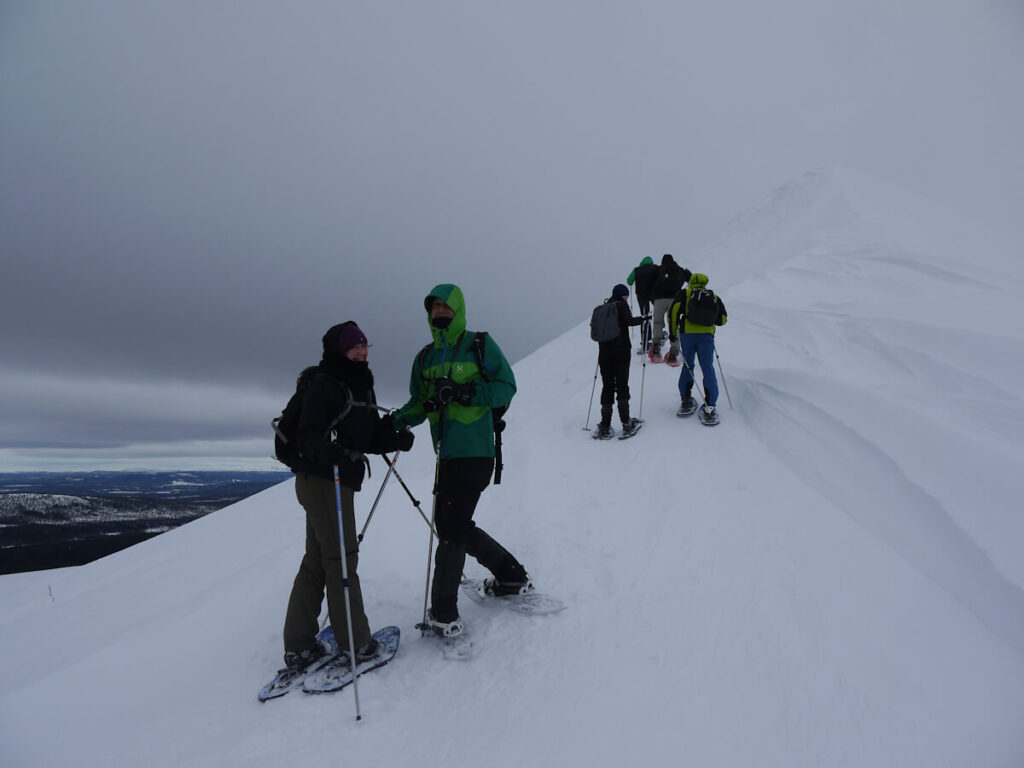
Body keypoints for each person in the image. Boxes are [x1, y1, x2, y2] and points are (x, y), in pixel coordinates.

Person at [386, 284, 530, 638]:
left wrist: (466, 391)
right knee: (456, 525)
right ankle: (511, 575)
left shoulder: (478, 344)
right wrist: (393, 422)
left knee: (450, 528)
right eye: (434, 307)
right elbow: (419, 403)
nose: (439, 312)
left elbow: (506, 386)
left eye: (445, 306)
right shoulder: (424, 358)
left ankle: (444, 613)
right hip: (445, 454)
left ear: (458, 309)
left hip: (477, 451)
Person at [282, 321, 414, 670]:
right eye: (354, 346)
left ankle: (299, 645)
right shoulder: (325, 385)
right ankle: (356, 644)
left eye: (364, 345)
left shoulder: (359, 384)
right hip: (325, 481)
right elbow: (308, 439)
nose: (361, 351)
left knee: (318, 559)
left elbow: (365, 437)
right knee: (341, 560)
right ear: (337, 350)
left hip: (331, 482)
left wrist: (394, 437)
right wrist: (333, 453)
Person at [668, 273, 728, 420]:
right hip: (707, 336)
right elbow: (723, 320)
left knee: (688, 365)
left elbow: (674, 312)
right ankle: (710, 405)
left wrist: (672, 332)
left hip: (688, 334)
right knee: (707, 367)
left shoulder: (685, 293)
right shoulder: (713, 296)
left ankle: (686, 400)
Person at [595, 284, 646, 439]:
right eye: (626, 295)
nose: (627, 297)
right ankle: (626, 422)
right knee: (622, 384)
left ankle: (605, 425)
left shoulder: (604, 308)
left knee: (608, 386)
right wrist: (643, 319)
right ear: (623, 295)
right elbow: (628, 321)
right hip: (621, 352)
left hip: (604, 353)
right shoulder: (621, 305)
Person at [650, 254, 691, 364]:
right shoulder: (679, 270)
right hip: (674, 300)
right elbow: (691, 279)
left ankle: (656, 347)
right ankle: (673, 353)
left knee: (658, 322)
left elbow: (649, 282)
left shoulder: (658, 270)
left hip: (659, 300)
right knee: (674, 324)